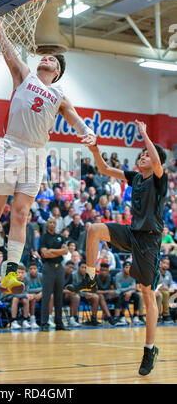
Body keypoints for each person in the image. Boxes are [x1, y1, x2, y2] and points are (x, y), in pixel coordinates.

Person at [0, 17, 96, 296]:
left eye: (52, 59)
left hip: (37, 154)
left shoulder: (58, 94)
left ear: (57, 71)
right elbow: (7, 48)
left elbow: (75, 118)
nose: (47, 57)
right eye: (45, 56)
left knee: (22, 214)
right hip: (12, 146)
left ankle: (10, 273)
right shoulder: (25, 75)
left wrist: (88, 133)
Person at [74, 120, 167, 376]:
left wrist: (145, 134)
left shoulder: (160, 179)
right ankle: (90, 280)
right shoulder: (135, 177)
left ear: (156, 159)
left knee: (147, 294)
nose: (142, 157)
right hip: (131, 232)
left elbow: (157, 162)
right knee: (94, 229)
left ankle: (149, 349)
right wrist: (95, 148)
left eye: (147, 155)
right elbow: (104, 168)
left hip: (149, 240)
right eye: (141, 154)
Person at [39, 217, 68, 331]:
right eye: (50, 222)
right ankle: (44, 323)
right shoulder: (43, 237)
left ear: (56, 224)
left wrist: (52, 251)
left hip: (59, 268)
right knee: (46, 296)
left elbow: (65, 251)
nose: (52, 224)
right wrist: (57, 252)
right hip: (48, 268)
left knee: (59, 297)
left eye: (54, 222)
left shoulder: (60, 237)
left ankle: (59, 323)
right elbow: (44, 254)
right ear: (47, 224)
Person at [67, 261, 101, 326]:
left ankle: (93, 318)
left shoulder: (88, 276)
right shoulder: (73, 275)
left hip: (85, 295)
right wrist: (85, 294)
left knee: (96, 297)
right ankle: (74, 318)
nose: (84, 269)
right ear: (78, 267)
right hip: (75, 295)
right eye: (82, 267)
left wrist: (90, 293)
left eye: (85, 268)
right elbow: (73, 290)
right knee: (76, 296)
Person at [114, 261, 142, 326]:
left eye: (129, 267)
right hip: (120, 294)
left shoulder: (133, 275)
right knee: (123, 296)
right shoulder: (118, 276)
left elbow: (134, 288)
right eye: (126, 267)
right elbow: (119, 289)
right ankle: (122, 316)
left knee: (137, 296)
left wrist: (130, 291)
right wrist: (129, 289)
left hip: (129, 293)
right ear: (123, 268)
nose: (128, 269)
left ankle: (135, 316)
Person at [63, 261, 81, 328]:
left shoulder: (70, 276)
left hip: (65, 295)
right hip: (56, 294)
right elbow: (56, 289)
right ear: (65, 266)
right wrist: (68, 292)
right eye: (70, 267)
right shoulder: (59, 274)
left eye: (73, 268)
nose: (71, 269)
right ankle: (58, 319)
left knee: (76, 297)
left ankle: (72, 319)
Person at [157, 257, 174, 323]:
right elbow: (151, 284)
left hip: (165, 291)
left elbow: (171, 285)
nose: (165, 265)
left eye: (167, 264)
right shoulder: (156, 272)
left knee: (168, 293)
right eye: (164, 263)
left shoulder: (168, 273)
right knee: (162, 294)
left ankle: (167, 315)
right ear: (160, 263)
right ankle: (158, 315)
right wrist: (160, 288)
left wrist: (168, 288)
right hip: (156, 291)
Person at [25, 262, 42, 329]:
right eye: (31, 269)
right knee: (32, 298)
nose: (33, 270)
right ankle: (32, 319)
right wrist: (36, 293)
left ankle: (49, 317)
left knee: (51, 296)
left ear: (37, 269)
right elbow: (28, 290)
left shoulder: (41, 276)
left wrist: (41, 293)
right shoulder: (26, 277)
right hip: (31, 296)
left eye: (34, 268)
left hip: (41, 295)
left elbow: (47, 287)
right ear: (28, 270)